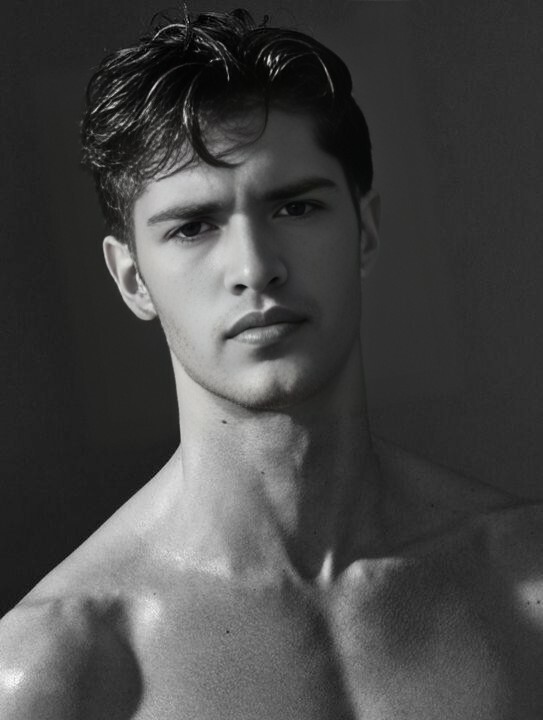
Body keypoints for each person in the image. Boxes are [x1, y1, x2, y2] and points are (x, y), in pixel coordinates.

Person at [1, 8, 542, 719]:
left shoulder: (524, 583)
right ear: (132, 279)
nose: (255, 268)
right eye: (193, 226)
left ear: (364, 229)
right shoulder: (55, 669)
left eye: (294, 208)